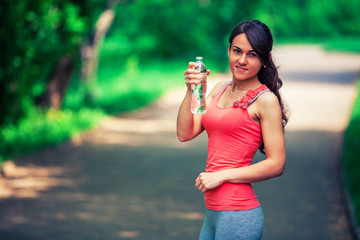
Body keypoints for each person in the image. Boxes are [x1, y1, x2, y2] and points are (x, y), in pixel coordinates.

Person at [176, 20, 289, 240]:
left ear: (265, 60)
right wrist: (191, 90)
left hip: (238, 215)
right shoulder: (220, 88)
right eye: (237, 51)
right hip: (213, 214)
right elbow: (184, 133)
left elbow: (277, 164)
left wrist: (221, 176)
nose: (242, 60)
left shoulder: (265, 100)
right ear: (228, 50)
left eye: (252, 54)